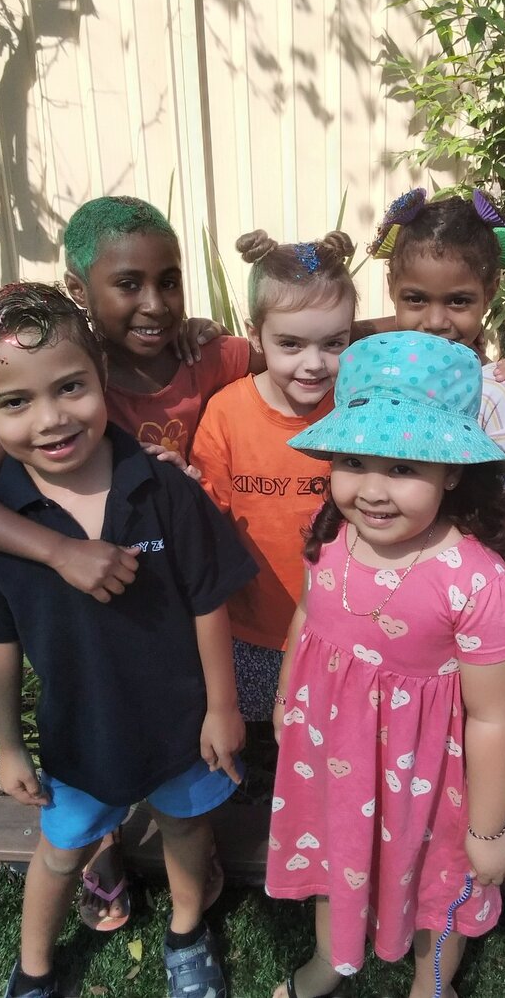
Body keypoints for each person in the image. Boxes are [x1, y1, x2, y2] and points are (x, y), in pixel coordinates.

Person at [0, 195, 256, 928]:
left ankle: (177, 876)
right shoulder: (48, 382)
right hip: (85, 598)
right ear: (81, 291)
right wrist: (59, 550)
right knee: (98, 749)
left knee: (177, 780)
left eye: (169, 281)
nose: (156, 303)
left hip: (170, 582)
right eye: (129, 284)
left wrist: (429, 328)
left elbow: (299, 345)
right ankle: (105, 845)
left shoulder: (203, 355)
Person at [266, 331, 505, 998]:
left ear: (451, 471)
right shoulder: (333, 529)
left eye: (404, 467)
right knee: (333, 854)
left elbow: (493, 717)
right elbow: (308, 614)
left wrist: (488, 830)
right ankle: (329, 960)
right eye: (354, 460)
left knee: (438, 881)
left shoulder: (475, 582)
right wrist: (287, 695)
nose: (373, 491)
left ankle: (430, 984)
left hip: (424, 777)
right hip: (329, 749)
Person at [191, 230, 358, 721]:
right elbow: (205, 516)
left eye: (334, 343)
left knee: (330, 735)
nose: (314, 364)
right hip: (250, 628)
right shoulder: (226, 414)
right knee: (256, 737)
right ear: (254, 334)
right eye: (290, 344)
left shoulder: (358, 410)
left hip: (341, 628)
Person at [370, 187, 505, 495]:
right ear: (392, 287)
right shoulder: (374, 376)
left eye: (458, 301)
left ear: (490, 292)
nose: (435, 322)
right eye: (416, 299)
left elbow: (504, 509)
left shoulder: (497, 394)